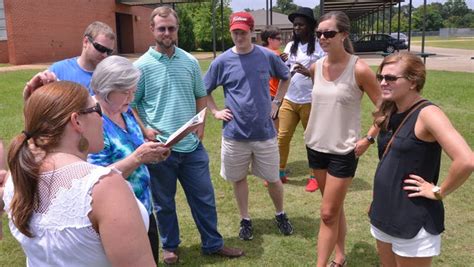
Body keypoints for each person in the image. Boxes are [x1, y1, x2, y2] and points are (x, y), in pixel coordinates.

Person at [131, 6, 243, 264]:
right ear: (152, 30)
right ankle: (170, 247)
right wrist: (145, 130)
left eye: (171, 28)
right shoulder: (141, 67)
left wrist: (201, 123)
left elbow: (200, 95)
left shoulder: (190, 61)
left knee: (204, 198)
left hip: (191, 147)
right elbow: (132, 104)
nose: (167, 33)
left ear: (177, 29)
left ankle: (213, 243)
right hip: (160, 149)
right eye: (162, 28)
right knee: (164, 203)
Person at [2, 81, 155, 266]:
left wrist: (39, 105)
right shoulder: (103, 186)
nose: (102, 118)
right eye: (97, 110)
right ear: (76, 121)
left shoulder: (17, 178)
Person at [369, 52, 474, 267]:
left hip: (412, 219)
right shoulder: (392, 110)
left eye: (390, 78)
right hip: (384, 213)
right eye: (380, 76)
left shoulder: (428, 114)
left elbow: (466, 160)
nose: (382, 82)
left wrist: (438, 191)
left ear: (413, 82)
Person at [204, 11, 294, 242]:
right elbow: (203, 90)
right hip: (235, 134)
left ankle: (280, 214)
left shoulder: (266, 55)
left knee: (273, 178)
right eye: (235, 32)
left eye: (243, 32)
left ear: (251, 32)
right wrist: (215, 111)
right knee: (238, 178)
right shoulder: (222, 61)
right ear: (230, 32)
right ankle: (245, 219)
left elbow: (286, 77)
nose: (238, 36)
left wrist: (277, 102)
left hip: (264, 133)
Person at [303, 11, 381, 267]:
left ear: (344, 35)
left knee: (327, 213)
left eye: (329, 33)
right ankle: (340, 256)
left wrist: (369, 139)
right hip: (315, 146)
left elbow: (384, 109)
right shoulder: (315, 67)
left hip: (343, 151)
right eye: (319, 34)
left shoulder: (359, 69)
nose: (323, 38)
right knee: (333, 208)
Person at [87, 55, 170, 263]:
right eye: (125, 92)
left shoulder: (124, 111)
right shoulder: (93, 121)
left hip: (143, 207)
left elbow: (134, 146)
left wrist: (152, 153)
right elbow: (96, 178)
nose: (131, 98)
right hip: (118, 217)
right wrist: (138, 157)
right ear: (106, 89)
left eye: (133, 91)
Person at [278, 7, 325, 192]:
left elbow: (327, 70)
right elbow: (287, 69)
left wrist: (310, 72)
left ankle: (314, 176)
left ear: (310, 26)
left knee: (312, 140)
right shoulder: (291, 46)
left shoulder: (320, 46)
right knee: (282, 137)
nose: (296, 28)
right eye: (295, 25)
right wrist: (283, 61)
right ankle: (279, 172)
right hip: (290, 98)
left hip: (310, 100)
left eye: (300, 25)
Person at [23, 21, 115, 99]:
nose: (105, 55)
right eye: (100, 48)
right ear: (86, 42)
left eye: (109, 51)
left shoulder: (109, 76)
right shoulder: (58, 70)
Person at [261, 25, 283, 132]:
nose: (281, 41)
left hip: (261, 93)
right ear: (270, 39)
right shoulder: (276, 54)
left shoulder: (258, 53)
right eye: (278, 39)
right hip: (273, 94)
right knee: (274, 126)